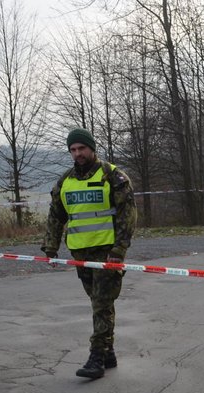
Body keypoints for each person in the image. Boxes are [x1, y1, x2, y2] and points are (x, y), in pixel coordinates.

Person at [42, 128, 138, 379]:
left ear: (92, 148)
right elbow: (56, 215)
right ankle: (108, 353)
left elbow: (128, 215)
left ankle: (96, 356)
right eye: (73, 150)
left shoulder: (112, 176)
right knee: (97, 302)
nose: (77, 154)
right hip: (80, 252)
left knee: (101, 304)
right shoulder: (65, 181)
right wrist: (50, 247)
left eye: (81, 148)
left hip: (107, 253)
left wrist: (119, 250)